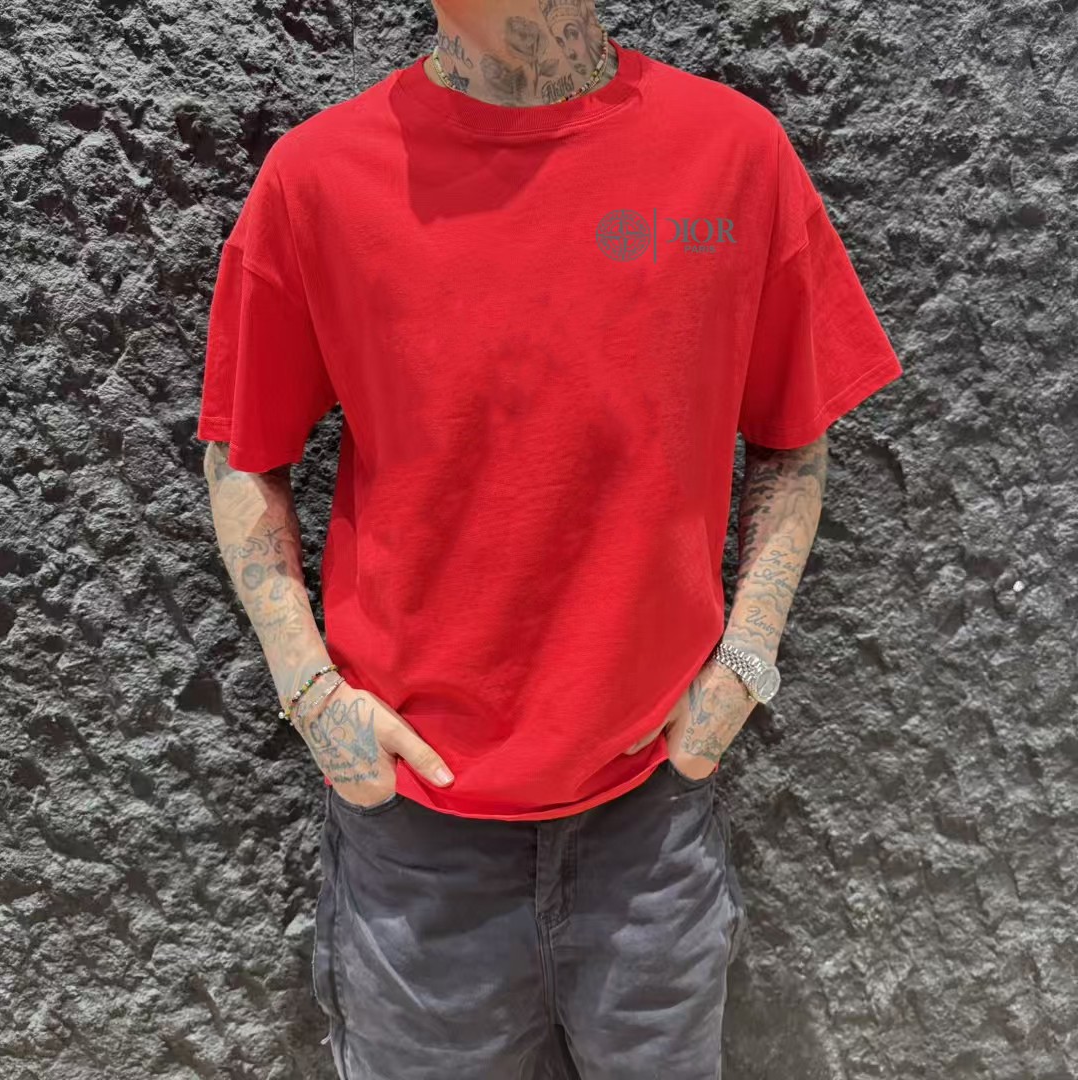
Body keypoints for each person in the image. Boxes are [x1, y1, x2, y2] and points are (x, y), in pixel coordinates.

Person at [196, 1, 903, 1076]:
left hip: (652, 824)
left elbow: (794, 438)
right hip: (417, 839)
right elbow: (241, 452)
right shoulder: (320, 177)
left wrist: (744, 666)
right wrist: (310, 692)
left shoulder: (732, 155)